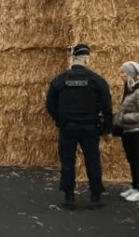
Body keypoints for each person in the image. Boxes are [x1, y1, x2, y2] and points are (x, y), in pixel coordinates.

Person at [46, 43, 113, 210]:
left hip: (67, 127)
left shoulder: (59, 80)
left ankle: (69, 196)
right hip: (90, 127)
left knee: (68, 161)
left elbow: (49, 105)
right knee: (93, 160)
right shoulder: (97, 80)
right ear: (86, 59)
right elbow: (107, 106)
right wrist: (107, 128)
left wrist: (60, 120)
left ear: (72, 59)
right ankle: (95, 195)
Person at [114, 61, 139, 202]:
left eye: (123, 72)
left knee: (137, 160)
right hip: (126, 130)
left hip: (134, 130)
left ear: (130, 74)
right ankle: (134, 187)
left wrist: (125, 118)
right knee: (131, 160)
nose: (121, 74)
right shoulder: (128, 88)